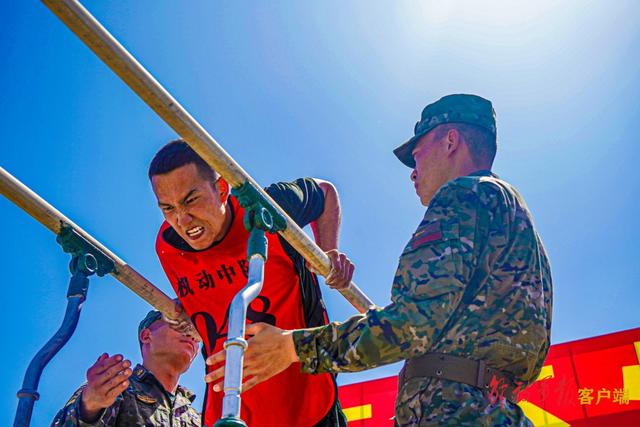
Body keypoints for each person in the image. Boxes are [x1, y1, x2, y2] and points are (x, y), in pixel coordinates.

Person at [205, 94, 553, 426]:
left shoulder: (463, 196)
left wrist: (291, 347)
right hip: (497, 411)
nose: (413, 172)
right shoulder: (516, 221)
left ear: (450, 142)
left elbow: (411, 325)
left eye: (417, 155)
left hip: (452, 412)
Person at [148, 140, 351, 427]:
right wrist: (189, 314)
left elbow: (325, 192)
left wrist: (327, 252)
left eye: (191, 200)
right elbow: (211, 299)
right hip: (229, 411)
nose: (182, 219)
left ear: (221, 189)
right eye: (168, 208)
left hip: (308, 404)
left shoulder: (268, 208)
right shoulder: (168, 247)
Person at [51, 310, 201, 426]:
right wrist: (89, 408)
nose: (191, 334)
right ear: (146, 336)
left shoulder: (198, 418)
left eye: (196, 331)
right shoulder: (113, 388)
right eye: (178, 322)